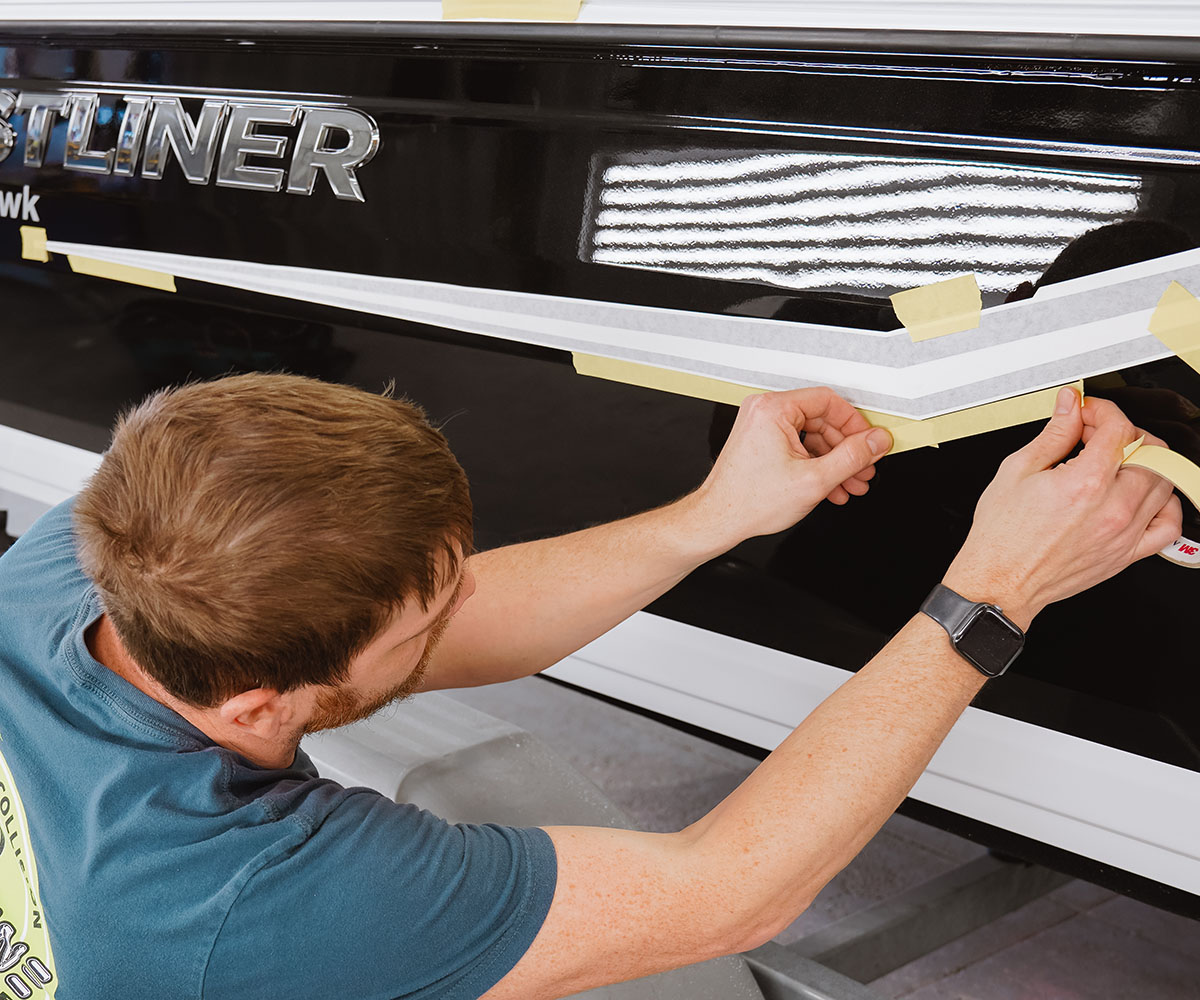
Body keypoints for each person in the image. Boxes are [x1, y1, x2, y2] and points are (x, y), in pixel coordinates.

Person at [0, 372, 1180, 1000]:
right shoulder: (244, 903)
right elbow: (728, 894)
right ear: (259, 702)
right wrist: (993, 594)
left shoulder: (109, 546)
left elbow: (465, 617)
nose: (459, 610)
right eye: (425, 618)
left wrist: (716, 515)